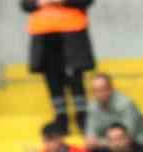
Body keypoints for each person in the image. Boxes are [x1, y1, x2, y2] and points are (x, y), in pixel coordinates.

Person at [23, 0, 95, 133]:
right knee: (53, 81)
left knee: (75, 80)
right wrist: (42, 3)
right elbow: (25, 5)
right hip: (44, 37)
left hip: (72, 35)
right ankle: (61, 119)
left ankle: (82, 118)